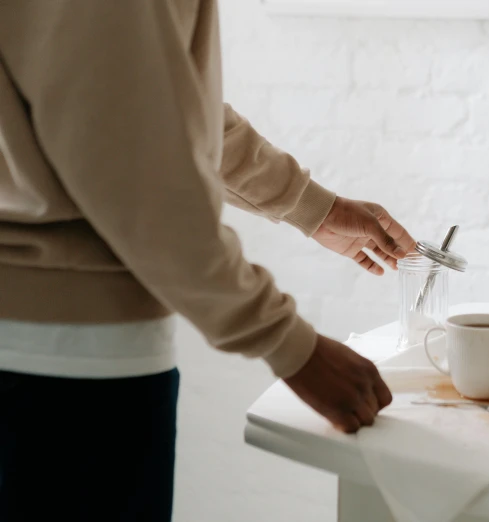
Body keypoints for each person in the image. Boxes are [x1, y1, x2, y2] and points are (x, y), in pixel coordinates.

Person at [0, 1, 415, 520]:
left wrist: (316, 208)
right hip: (61, 366)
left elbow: (156, 102)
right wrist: (291, 346)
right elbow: (143, 175)